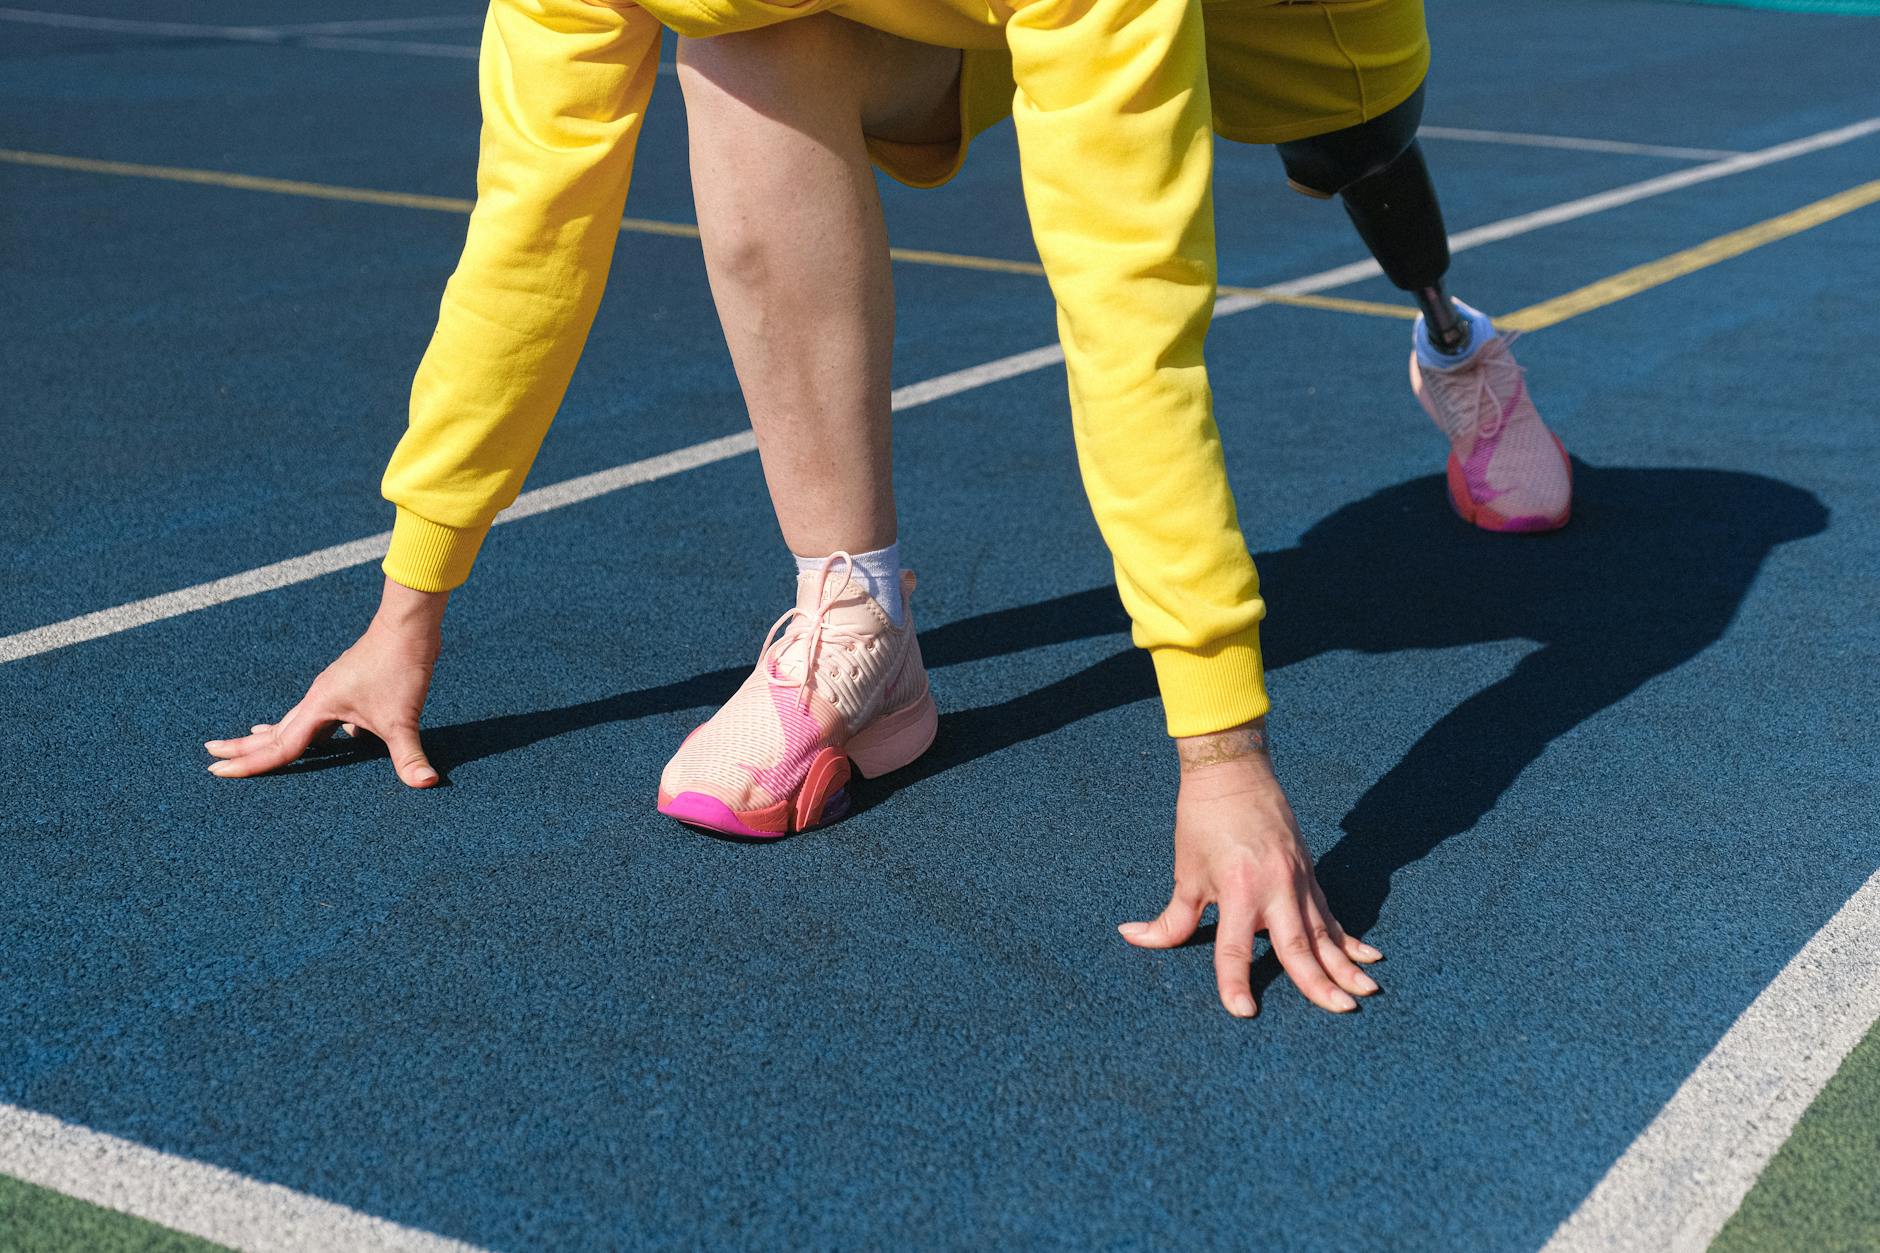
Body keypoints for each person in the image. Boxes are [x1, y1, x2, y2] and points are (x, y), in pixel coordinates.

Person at [204, 0, 1444, 1019]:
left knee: (1360, 156)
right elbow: (528, 238)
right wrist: (406, 607)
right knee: (745, 56)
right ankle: (855, 620)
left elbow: (1129, 318)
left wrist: (1220, 749)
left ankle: (1451, 336)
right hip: (953, 27)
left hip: (1292, 30)